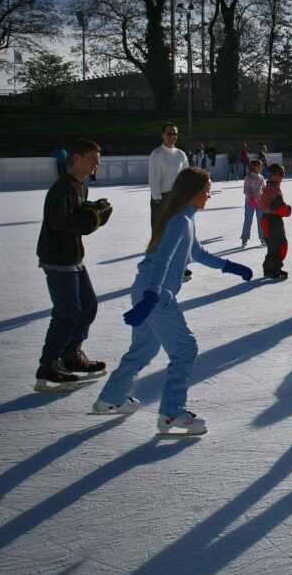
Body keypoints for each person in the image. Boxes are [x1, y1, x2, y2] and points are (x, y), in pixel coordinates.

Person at [92, 168, 252, 431]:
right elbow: (163, 259)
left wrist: (230, 266)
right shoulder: (179, 221)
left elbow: (197, 253)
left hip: (145, 289)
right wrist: (152, 295)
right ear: (192, 192)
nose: (209, 196)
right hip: (156, 293)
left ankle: (110, 398)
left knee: (143, 349)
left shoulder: (184, 219)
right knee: (185, 350)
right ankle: (171, 413)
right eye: (206, 191)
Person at [34, 139, 114, 391]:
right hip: (58, 258)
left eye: (98, 159)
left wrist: (91, 211)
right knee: (67, 312)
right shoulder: (63, 187)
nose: (96, 164)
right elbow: (60, 221)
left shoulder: (80, 187)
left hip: (73, 257)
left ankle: (71, 354)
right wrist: (91, 218)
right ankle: (49, 363)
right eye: (92, 158)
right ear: (76, 158)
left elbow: (77, 216)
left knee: (88, 305)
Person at [149, 121, 192, 281]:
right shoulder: (157, 154)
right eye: (169, 133)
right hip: (162, 198)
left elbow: (186, 175)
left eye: (174, 134)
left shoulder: (181, 154)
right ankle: (156, 268)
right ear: (162, 135)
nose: (172, 136)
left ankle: (181, 266)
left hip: (179, 198)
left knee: (181, 232)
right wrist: (158, 199)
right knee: (161, 235)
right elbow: (153, 178)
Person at [261, 164, 292, 278]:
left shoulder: (270, 187)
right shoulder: (273, 189)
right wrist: (288, 210)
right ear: (273, 175)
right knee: (281, 245)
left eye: (283, 174)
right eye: (281, 174)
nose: (282, 177)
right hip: (272, 221)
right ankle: (273, 268)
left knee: (273, 246)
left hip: (267, 220)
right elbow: (278, 207)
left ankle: (269, 268)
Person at [241, 159, 266, 247]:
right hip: (249, 202)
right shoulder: (248, 177)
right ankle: (244, 238)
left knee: (261, 221)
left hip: (260, 203)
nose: (260, 168)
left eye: (261, 166)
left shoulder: (261, 177)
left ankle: (263, 238)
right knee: (248, 220)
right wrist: (251, 198)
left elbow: (264, 189)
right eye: (258, 166)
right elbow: (245, 190)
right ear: (253, 167)